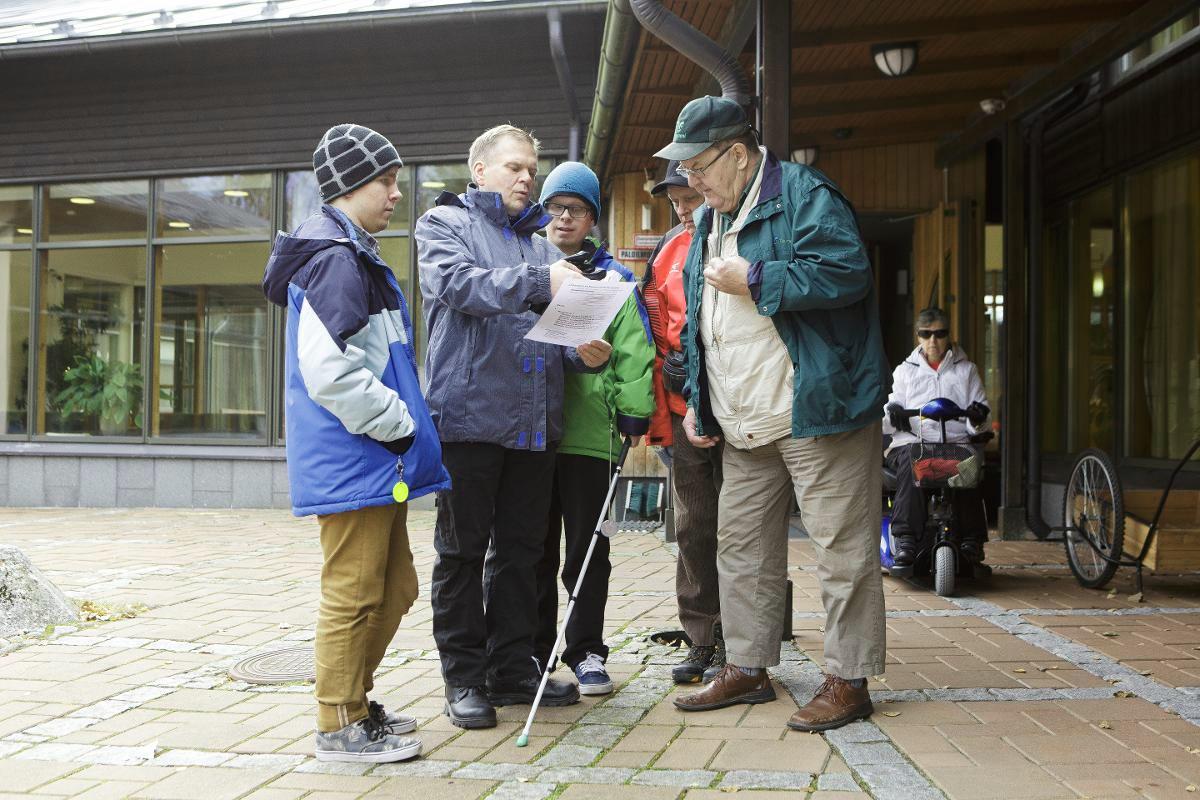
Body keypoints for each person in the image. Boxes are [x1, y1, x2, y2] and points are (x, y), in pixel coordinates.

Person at [658, 96, 890, 733]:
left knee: (841, 550)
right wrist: (700, 405)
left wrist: (758, 276)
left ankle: (848, 679)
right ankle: (748, 666)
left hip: (816, 408)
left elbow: (847, 273)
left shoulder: (807, 195)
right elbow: (702, 328)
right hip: (744, 419)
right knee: (741, 548)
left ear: (738, 155)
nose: (691, 180)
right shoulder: (710, 216)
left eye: (699, 166)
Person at [262, 123, 451, 763]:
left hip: (370, 453)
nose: (397, 193)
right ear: (349, 186)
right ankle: (338, 721)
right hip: (359, 452)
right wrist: (398, 421)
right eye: (387, 181)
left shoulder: (352, 252)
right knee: (355, 587)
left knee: (393, 587)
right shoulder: (336, 259)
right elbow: (330, 371)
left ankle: (356, 704)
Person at [416, 125, 612, 730]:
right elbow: (456, 285)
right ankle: (464, 678)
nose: (527, 177)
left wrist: (580, 348)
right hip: (470, 421)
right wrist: (539, 283)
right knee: (462, 553)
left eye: (532, 168)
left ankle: (513, 670)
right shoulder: (443, 225)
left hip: (534, 426)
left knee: (523, 555)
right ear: (479, 170)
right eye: (514, 167)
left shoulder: (542, 246)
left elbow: (548, 330)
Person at [532, 162, 655, 696]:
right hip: (531, 434)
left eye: (575, 209)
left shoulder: (614, 280)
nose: (564, 217)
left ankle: (585, 651)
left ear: (592, 218)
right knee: (532, 550)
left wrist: (633, 413)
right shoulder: (525, 267)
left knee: (588, 551)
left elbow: (635, 351)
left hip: (590, 436)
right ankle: (533, 651)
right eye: (555, 207)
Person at [643, 162, 727, 684]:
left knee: (744, 529)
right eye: (673, 200)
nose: (681, 208)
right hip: (682, 412)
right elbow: (654, 326)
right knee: (695, 526)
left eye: (687, 197)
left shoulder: (737, 238)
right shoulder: (669, 247)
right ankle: (702, 637)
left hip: (739, 409)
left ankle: (746, 639)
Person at [883, 307, 991, 574]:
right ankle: (906, 539)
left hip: (955, 443)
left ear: (948, 335)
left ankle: (971, 540)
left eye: (940, 334)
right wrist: (894, 414)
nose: (933, 341)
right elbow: (886, 417)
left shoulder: (967, 371)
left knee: (968, 459)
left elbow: (981, 422)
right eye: (926, 334)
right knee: (914, 456)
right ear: (918, 336)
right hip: (913, 442)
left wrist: (977, 418)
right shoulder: (904, 372)